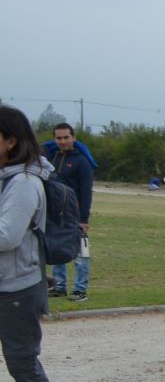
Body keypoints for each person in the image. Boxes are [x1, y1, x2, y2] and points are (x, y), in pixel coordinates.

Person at [0, 107, 68, 382]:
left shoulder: (24, 182)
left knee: (21, 359)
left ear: (11, 141)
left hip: (16, 286)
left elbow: (7, 236)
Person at [45, 124, 94, 301]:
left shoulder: (82, 161)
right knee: (57, 248)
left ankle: (80, 289)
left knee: (80, 251)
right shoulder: (52, 157)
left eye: (66, 137)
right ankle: (59, 285)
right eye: (59, 138)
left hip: (76, 214)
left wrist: (84, 218)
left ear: (73, 137)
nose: (62, 141)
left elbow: (87, 191)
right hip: (55, 214)